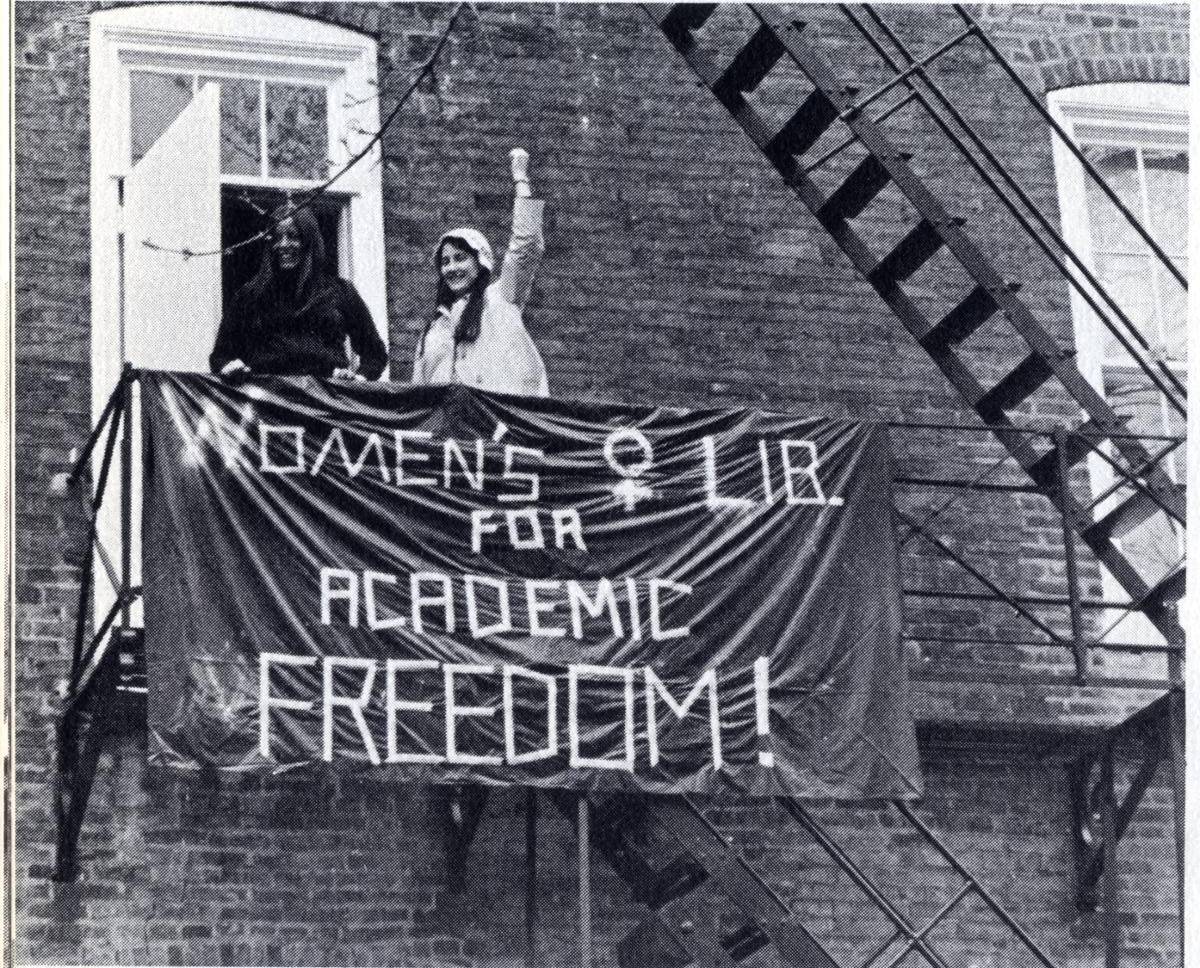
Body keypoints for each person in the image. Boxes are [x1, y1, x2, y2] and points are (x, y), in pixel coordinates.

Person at [412, 148, 549, 396]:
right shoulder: (434, 328)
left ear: (480, 263)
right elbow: (417, 398)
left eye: (460, 258)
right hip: (451, 432)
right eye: (445, 262)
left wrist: (521, 179)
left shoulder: (501, 298)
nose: (451, 268)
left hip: (499, 428)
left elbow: (527, 244)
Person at [210, 203, 387, 380]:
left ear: (309, 241)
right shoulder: (250, 295)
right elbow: (220, 357)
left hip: (325, 401)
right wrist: (229, 367)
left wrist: (357, 381)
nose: (283, 244)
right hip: (268, 401)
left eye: (293, 236)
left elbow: (375, 355)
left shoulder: (340, 292)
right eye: (277, 238)